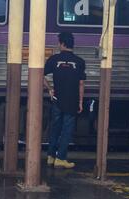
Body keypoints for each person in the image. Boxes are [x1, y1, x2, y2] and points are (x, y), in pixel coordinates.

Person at [44, 32, 86, 169]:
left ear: (62, 43)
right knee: (67, 129)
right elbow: (81, 84)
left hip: (57, 99)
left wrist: (50, 89)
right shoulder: (80, 62)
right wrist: (80, 102)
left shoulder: (54, 59)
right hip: (72, 100)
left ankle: (50, 156)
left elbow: (40, 75)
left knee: (55, 127)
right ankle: (61, 158)